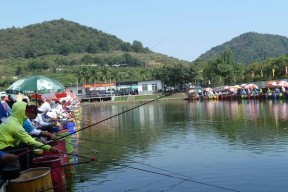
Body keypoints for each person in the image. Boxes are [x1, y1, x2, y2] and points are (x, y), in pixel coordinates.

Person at [0, 101, 58, 171]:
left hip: (8, 145)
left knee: (27, 144)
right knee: (28, 147)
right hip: (3, 149)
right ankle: (26, 170)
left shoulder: (12, 120)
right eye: (26, 111)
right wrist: (49, 148)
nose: (27, 113)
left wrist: (36, 139)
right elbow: (29, 141)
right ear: (21, 111)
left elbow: (22, 138)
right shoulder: (15, 125)